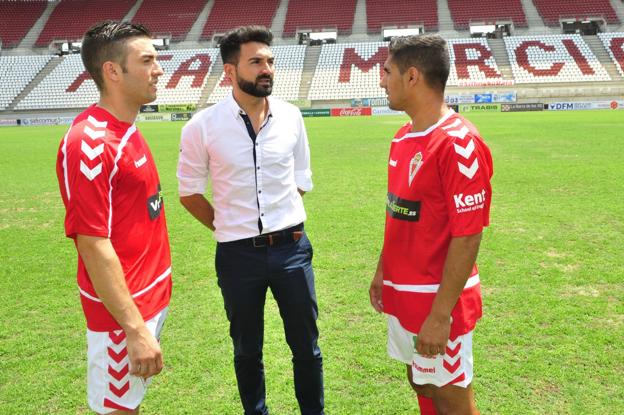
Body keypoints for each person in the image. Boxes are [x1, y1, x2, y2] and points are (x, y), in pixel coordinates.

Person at [176, 26, 324, 415]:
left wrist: (277, 217)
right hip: (237, 255)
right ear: (229, 71)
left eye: (270, 61)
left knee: (307, 346)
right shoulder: (202, 126)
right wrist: (229, 225)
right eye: (256, 62)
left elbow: (300, 181)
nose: (267, 69)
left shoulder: (292, 117)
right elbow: (189, 192)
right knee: (246, 349)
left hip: (292, 249)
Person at [369, 34, 493, 415]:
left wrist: (441, 316)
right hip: (402, 293)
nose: (381, 80)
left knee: (451, 397)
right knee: (420, 381)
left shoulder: (459, 144)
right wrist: (381, 273)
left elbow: (468, 235)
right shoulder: (402, 137)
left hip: (439, 303)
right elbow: (398, 213)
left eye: (387, 71)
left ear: (412, 77)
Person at [55, 21, 172, 414]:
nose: (159, 69)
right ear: (113, 71)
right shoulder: (88, 143)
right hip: (122, 316)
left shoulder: (125, 128)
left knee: (129, 405)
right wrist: (134, 329)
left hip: (146, 298)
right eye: (148, 60)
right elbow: (92, 242)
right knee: (118, 410)